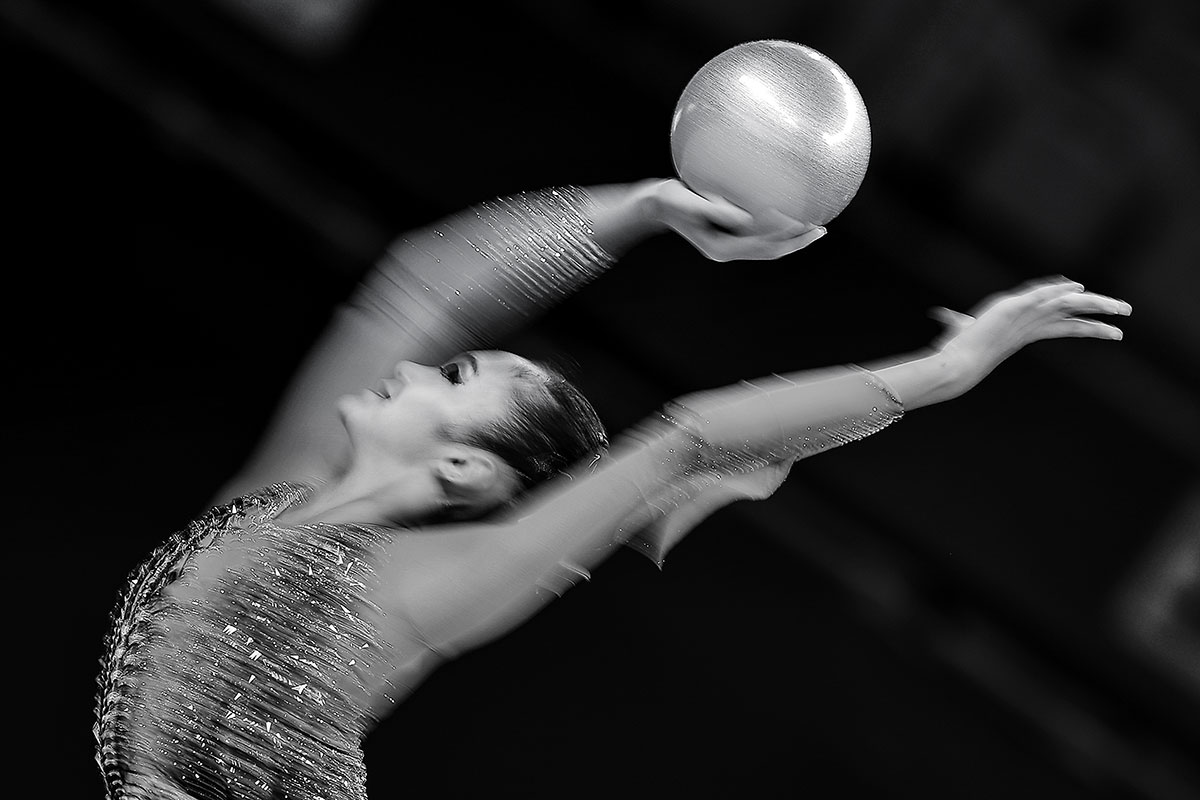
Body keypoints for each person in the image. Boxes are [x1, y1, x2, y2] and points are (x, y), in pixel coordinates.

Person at [94, 178, 1131, 799]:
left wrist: (940, 373)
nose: (413, 364)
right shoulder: (280, 496)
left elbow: (687, 440)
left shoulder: (413, 588)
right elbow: (418, 284)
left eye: (454, 378)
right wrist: (639, 209)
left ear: (463, 469)